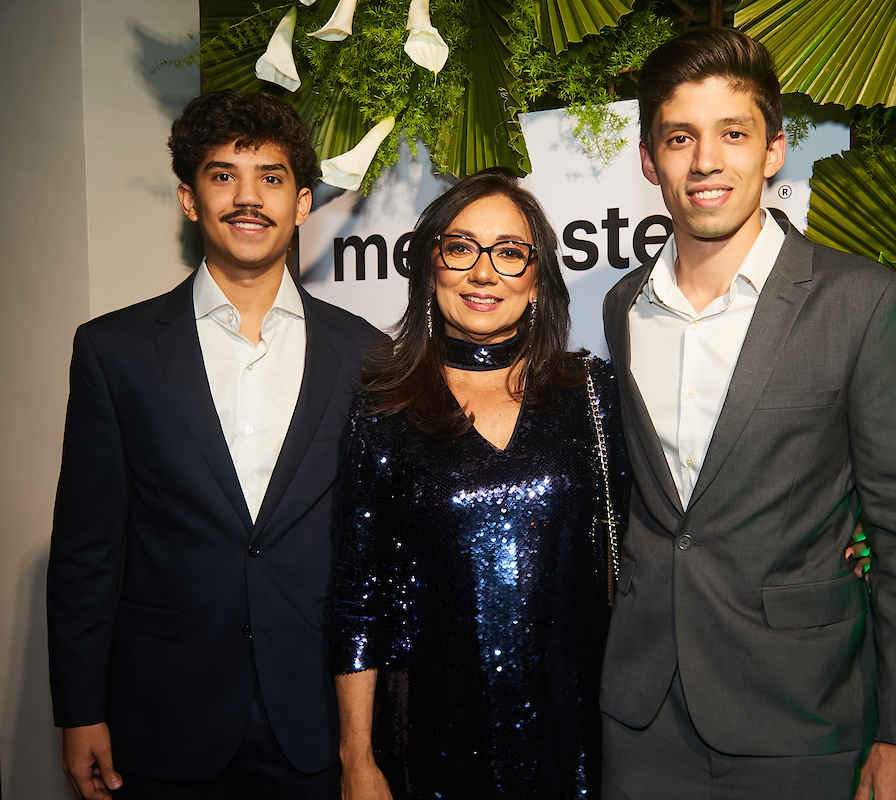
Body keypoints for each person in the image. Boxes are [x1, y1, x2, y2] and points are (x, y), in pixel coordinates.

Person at [598, 29, 896, 800]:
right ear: (651, 160)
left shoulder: (862, 303)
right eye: (681, 137)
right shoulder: (624, 306)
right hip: (641, 717)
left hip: (802, 714)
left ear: (774, 150)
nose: (706, 162)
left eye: (734, 133)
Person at [46, 90, 386, 799]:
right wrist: (80, 712)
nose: (248, 197)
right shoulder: (116, 352)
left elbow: (373, 552)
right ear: (189, 199)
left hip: (315, 718)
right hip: (164, 716)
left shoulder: (365, 354)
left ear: (301, 203)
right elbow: (86, 550)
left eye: (271, 176)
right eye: (223, 175)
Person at [331, 168, 629, 799]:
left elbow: (663, 532)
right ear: (430, 267)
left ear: (537, 278)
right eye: (460, 248)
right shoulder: (384, 409)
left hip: (578, 732)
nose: (483, 272)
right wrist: (357, 758)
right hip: (433, 737)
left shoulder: (594, 394)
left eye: (509, 253)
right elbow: (360, 596)